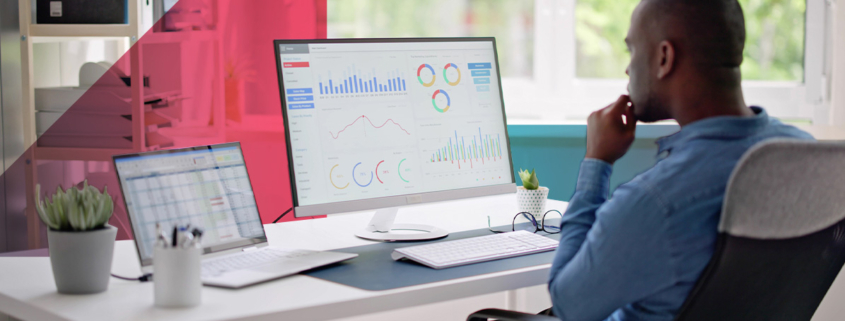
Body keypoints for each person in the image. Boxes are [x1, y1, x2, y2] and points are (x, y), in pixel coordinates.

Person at [546, 0, 814, 320]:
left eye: (632, 50)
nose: (628, 69)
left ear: (664, 58)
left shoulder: (656, 203)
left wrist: (596, 162)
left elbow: (569, 307)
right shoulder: (804, 154)